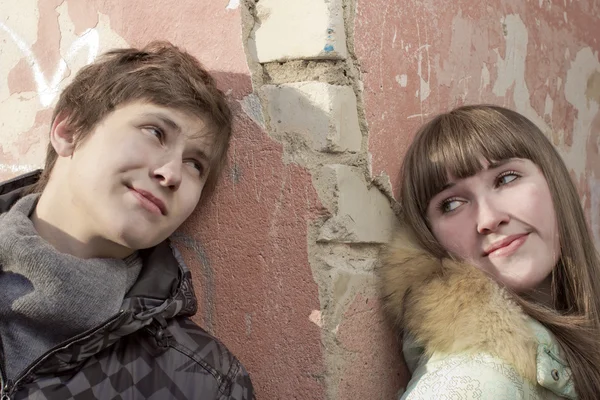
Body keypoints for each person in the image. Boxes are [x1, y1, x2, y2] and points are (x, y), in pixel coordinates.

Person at [0, 42, 254, 400]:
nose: (172, 174)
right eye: (154, 132)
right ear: (69, 130)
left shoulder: (206, 383)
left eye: (195, 164)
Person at [379, 104, 600, 400]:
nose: (488, 219)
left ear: (554, 183)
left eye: (506, 178)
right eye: (452, 204)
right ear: (430, 238)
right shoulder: (476, 381)